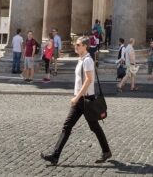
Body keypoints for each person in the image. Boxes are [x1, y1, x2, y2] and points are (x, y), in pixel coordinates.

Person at [41, 36, 111, 166]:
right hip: (80, 100)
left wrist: (77, 97)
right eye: (75, 44)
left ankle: (106, 151)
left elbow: (89, 80)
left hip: (85, 100)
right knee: (68, 126)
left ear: (85, 46)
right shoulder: (81, 60)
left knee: (94, 127)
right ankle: (55, 156)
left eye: (78, 44)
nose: (75, 46)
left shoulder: (88, 61)